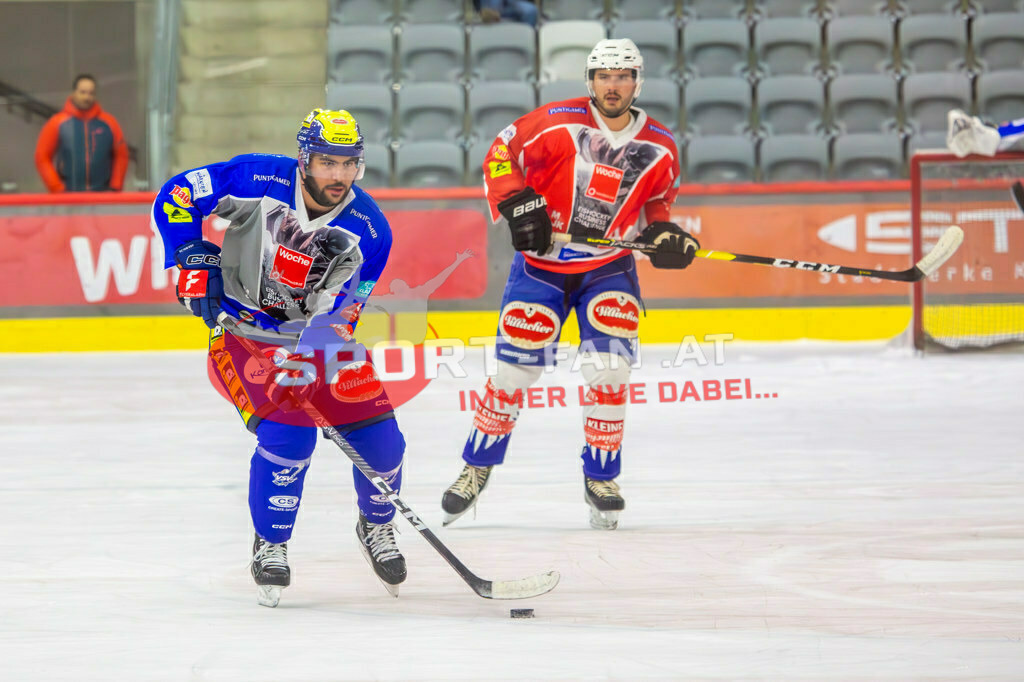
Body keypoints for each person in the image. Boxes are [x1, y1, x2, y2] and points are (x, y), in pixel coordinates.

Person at [150, 109, 408, 607]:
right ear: (304, 158)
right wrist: (190, 258)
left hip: (315, 340)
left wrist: (308, 363)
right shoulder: (257, 177)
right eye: (327, 162)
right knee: (290, 434)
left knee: (384, 443)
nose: (338, 175)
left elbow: (342, 315)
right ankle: (271, 541)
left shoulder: (371, 231)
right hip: (241, 337)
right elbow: (177, 194)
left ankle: (376, 526)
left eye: (349, 163)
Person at [440, 39, 699, 531]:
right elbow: (500, 154)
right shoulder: (557, 122)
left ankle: (601, 477)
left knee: (610, 372)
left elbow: (660, 201)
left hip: (610, 265)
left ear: (637, 81)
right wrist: (517, 202)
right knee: (515, 375)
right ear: (590, 80)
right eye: (604, 76)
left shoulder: (661, 145)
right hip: (543, 266)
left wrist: (663, 231)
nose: (613, 85)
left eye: (623, 76)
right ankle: (476, 469)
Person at [35, 74, 129, 192]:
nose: (86, 97)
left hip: (104, 194)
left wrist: (115, 187)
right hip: (68, 195)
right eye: (82, 92)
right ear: (74, 93)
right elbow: (42, 157)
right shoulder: (57, 123)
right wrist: (57, 188)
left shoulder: (110, 123)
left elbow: (121, 155)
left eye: (91, 93)